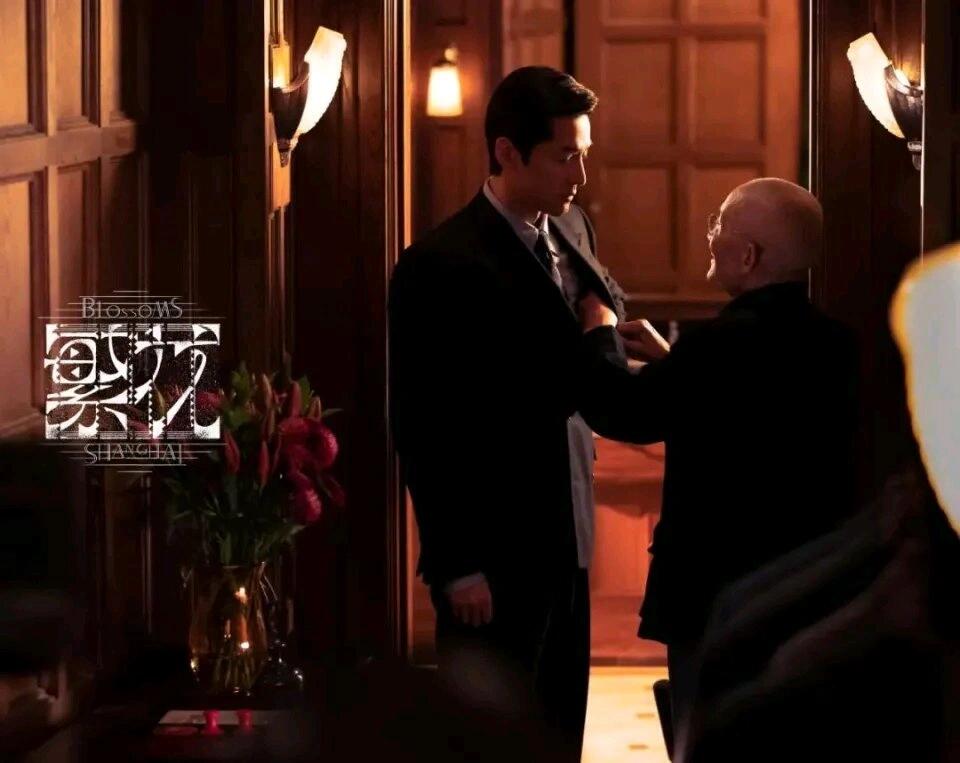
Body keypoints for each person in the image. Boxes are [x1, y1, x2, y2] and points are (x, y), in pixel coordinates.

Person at [388, 66, 624, 760]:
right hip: (492, 554)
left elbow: (599, 313)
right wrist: (456, 563)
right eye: (564, 156)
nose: (580, 174)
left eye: (584, 153)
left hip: (569, 532)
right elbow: (422, 426)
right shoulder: (439, 264)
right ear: (506, 152)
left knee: (561, 729)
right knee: (493, 745)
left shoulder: (572, 225)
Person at [578, 177, 860, 736]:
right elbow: (749, 412)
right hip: (809, 591)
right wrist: (674, 363)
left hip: (718, 598)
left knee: (711, 740)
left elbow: (624, 413)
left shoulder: (716, 347)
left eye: (719, 225)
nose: (710, 237)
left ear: (749, 256)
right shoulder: (840, 344)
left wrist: (598, 334)